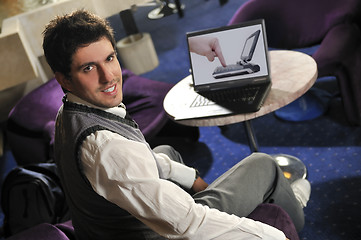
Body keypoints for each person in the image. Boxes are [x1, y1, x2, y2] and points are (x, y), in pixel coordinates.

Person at [43, 9, 310, 240]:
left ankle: (180, 195)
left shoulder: (68, 112)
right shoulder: (106, 149)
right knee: (262, 165)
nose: (108, 77)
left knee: (165, 153)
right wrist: (273, 235)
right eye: (88, 68)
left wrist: (192, 178)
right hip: (152, 234)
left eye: (110, 58)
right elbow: (188, 224)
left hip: (106, 227)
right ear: (64, 79)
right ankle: (291, 205)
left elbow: (138, 162)